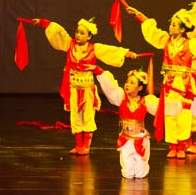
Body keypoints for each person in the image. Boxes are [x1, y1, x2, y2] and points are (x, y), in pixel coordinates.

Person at [25, 17, 137, 155]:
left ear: (89, 36)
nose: (78, 35)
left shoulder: (94, 48)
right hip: (73, 89)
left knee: (88, 117)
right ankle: (78, 145)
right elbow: (59, 32)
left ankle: (86, 146)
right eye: (77, 32)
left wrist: (127, 53)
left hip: (87, 90)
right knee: (75, 117)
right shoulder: (69, 44)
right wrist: (43, 23)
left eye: (82, 33)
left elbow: (110, 51)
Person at [125, 5, 196, 158]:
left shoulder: (191, 44)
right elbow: (153, 32)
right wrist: (138, 15)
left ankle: (182, 145)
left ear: (182, 29)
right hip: (170, 83)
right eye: (171, 24)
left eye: (174, 25)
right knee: (170, 114)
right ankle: (172, 145)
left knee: (184, 114)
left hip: (185, 84)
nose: (170, 27)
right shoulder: (166, 41)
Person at [95, 67, 159, 178]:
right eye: (127, 82)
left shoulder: (146, 101)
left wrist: (182, 104)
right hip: (126, 138)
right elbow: (110, 88)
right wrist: (99, 71)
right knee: (128, 174)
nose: (127, 85)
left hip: (140, 138)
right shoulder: (121, 97)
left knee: (141, 174)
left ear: (140, 87)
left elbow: (162, 107)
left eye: (132, 83)